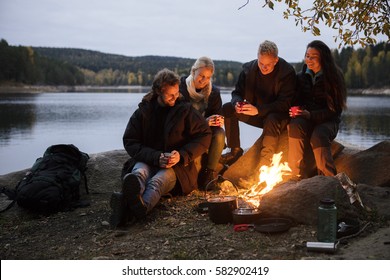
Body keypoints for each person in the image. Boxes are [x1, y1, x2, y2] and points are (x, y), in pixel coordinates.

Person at [110, 68, 212, 227]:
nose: (175, 97)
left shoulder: (185, 109)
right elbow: (130, 140)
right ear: (158, 91)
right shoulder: (143, 111)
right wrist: (155, 157)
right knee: (139, 174)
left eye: (177, 93)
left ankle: (127, 209)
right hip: (148, 159)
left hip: (176, 167)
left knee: (157, 181)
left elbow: (205, 134)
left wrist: (182, 155)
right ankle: (139, 208)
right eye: (170, 94)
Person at [220, 40, 296, 168]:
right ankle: (235, 151)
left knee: (271, 118)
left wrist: (258, 110)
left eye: (268, 64)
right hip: (256, 113)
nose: (264, 68)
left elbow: (285, 104)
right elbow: (237, 92)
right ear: (257, 57)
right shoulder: (248, 70)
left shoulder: (287, 73)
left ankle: (264, 164)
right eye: (261, 63)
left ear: (276, 60)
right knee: (228, 108)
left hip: (277, 116)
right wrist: (237, 103)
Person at [288, 40, 347, 179]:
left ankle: (328, 179)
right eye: (307, 56)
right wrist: (295, 110)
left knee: (318, 135)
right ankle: (294, 174)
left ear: (323, 58)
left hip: (328, 121)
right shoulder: (301, 76)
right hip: (307, 118)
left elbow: (334, 111)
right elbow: (296, 100)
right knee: (294, 125)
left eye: (313, 56)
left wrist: (310, 115)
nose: (308, 59)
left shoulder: (334, 77)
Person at [179, 56, 225, 189]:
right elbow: (180, 120)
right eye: (201, 76)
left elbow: (218, 113)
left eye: (208, 77)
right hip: (186, 130)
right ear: (193, 72)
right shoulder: (182, 88)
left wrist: (218, 120)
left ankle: (208, 174)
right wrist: (204, 122)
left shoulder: (214, 92)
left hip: (205, 130)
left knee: (220, 133)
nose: (204, 80)